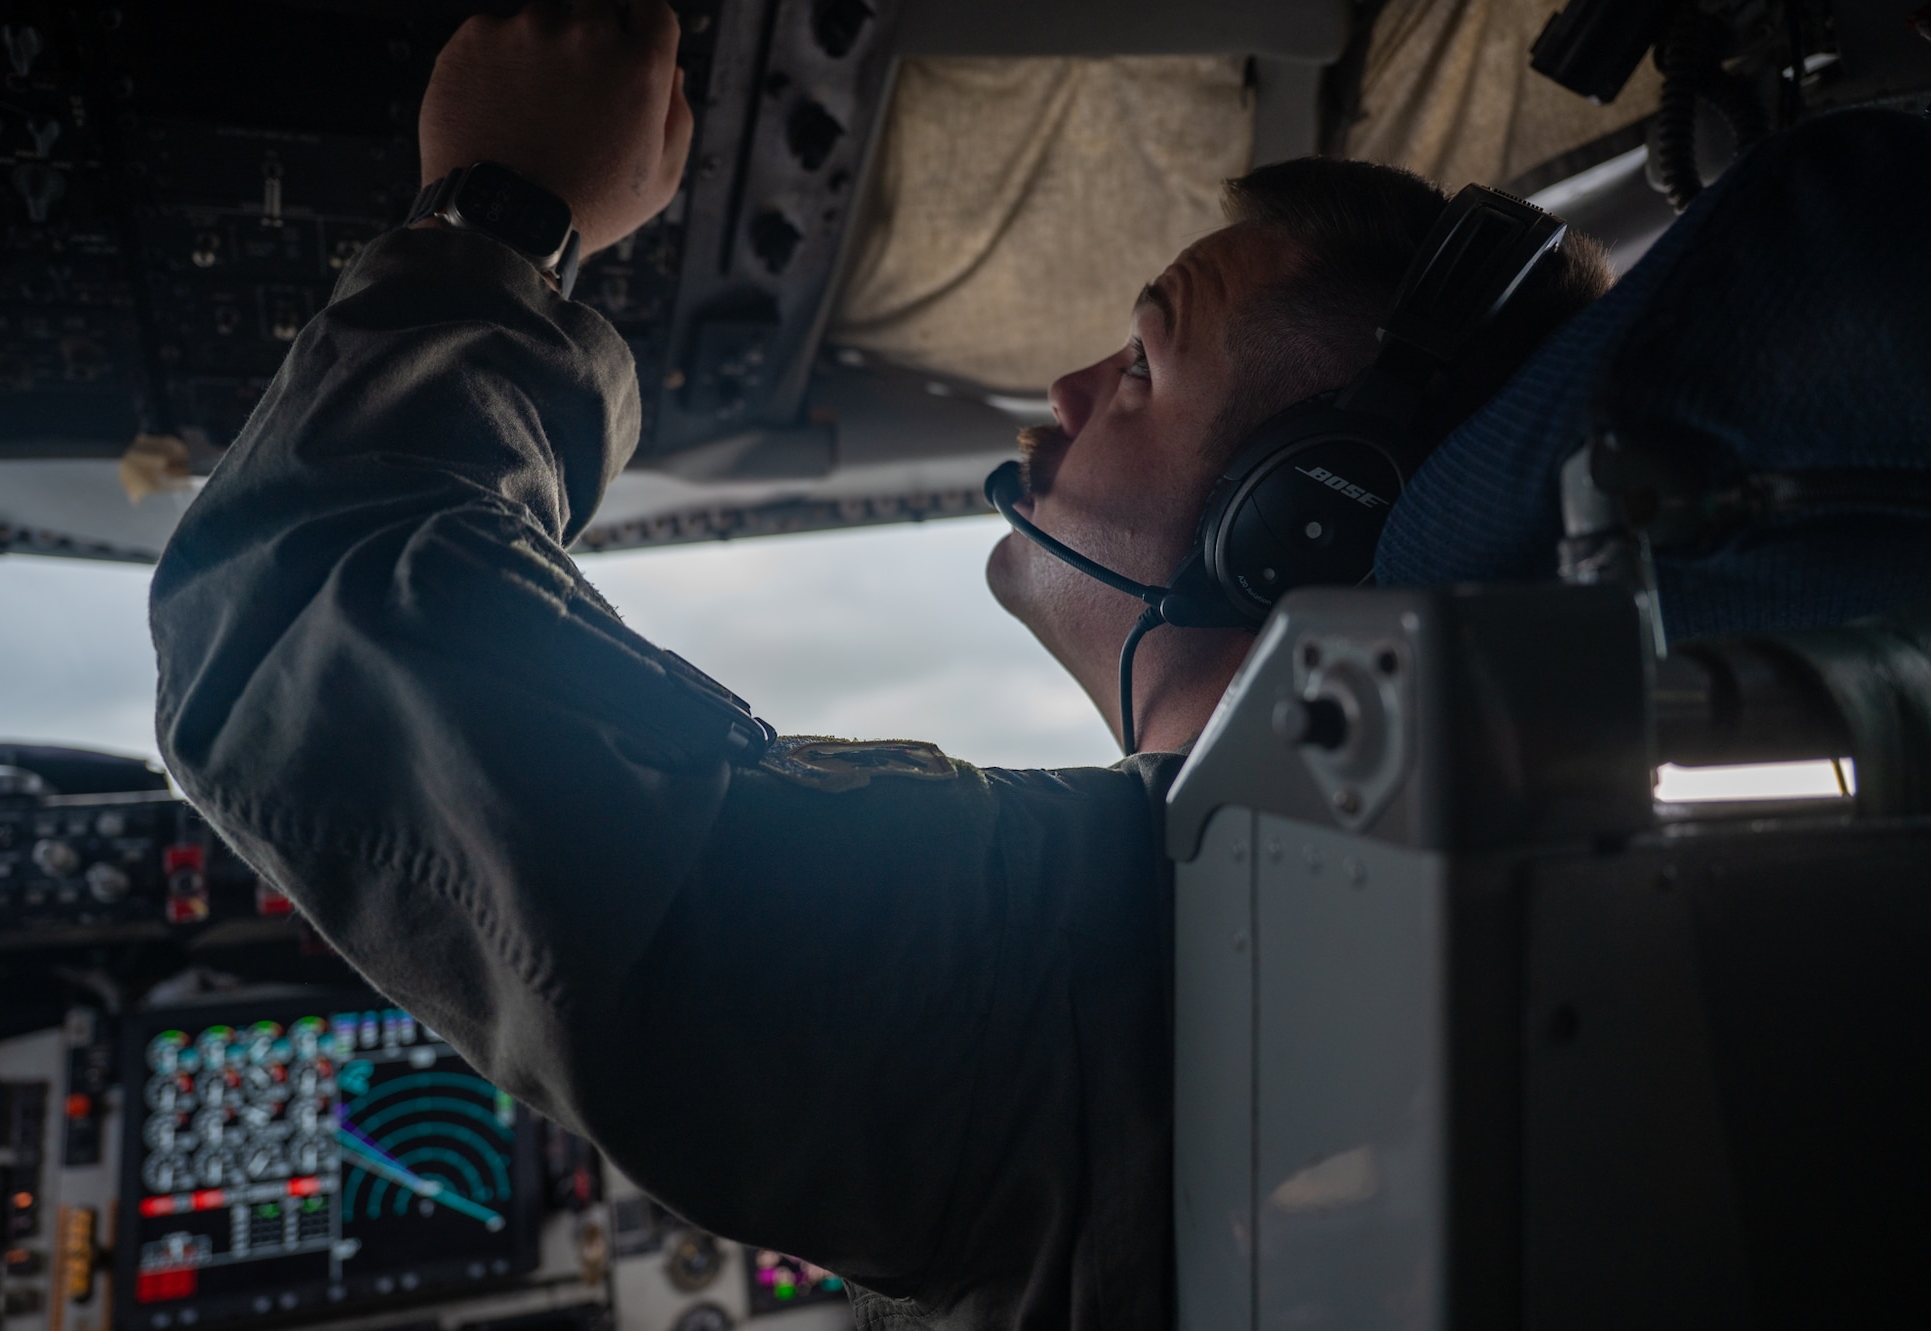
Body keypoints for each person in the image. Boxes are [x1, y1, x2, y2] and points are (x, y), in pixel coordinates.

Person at [148, 3, 1608, 1327]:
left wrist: (508, 214)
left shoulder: (1109, 961)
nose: (1070, 387)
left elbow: (301, 604)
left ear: (1299, 521)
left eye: (1146, 367)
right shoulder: (1468, 912)